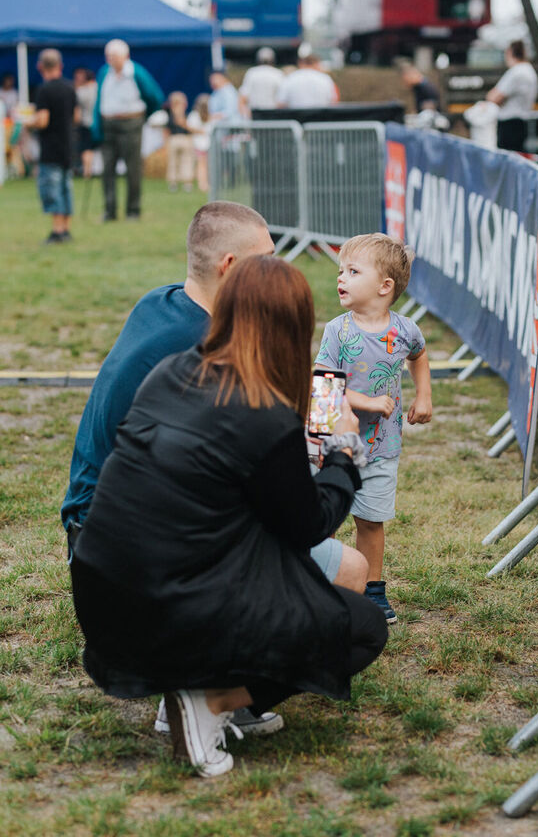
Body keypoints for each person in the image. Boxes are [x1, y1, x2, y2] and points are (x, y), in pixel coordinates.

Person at [69, 256, 388, 778]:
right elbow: (309, 524)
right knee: (362, 626)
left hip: (104, 593)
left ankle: (207, 693)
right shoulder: (263, 413)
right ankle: (212, 701)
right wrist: (341, 455)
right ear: (295, 326)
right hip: (176, 603)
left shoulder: (173, 371)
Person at [315, 233, 433, 624]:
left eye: (352, 271)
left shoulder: (404, 330)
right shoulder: (337, 331)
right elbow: (322, 384)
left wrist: (424, 396)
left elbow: (418, 355)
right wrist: (365, 402)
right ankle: (324, 583)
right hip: (335, 445)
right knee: (327, 515)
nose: (341, 278)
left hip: (382, 447)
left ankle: (372, 591)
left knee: (370, 520)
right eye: (340, 271)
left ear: (385, 287)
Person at [91, 39, 164, 221]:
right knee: (107, 168)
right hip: (108, 124)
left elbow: (155, 97)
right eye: (108, 56)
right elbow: (99, 100)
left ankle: (133, 210)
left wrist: (142, 117)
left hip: (130, 123)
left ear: (126, 56)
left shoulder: (136, 73)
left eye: (114, 56)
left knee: (133, 168)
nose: (111, 60)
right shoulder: (104, 73)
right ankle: (110, 210)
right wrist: (96, 125)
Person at [30, 49, 78, 244]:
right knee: (66, 188)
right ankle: (66, 229)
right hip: (68, 145)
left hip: (50, 147)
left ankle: (57, 231)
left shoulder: (44, 90)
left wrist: (27, 122)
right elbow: (77, 117)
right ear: (61, 66)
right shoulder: (70, 88)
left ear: (40, 67)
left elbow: (42, 121)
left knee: (52, 189)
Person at [486, 40, 538, 152]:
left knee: (508, 160)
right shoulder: (529, 70)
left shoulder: (516, 72)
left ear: (509, 52)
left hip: (509, 124)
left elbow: (494, 97)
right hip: (521, 121)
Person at [238, 47, 284, 117]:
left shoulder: (251, 73)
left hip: (255, 116)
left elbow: (242, 98)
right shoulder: (278, 74)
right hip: (273, 116)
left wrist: (245, 116)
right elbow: (282, 101)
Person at [164, 91, 195, 192]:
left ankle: (176, 183)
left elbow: (166, 130)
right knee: (185, 161)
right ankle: (185, 183)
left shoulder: (170, 114)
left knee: (175, 162)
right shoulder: (178, 114)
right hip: (181, 139)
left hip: (175, 139)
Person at [73, 67, 98, 178]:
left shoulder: (80, 92)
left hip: (85, 122)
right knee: (93, 148)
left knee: (86, 148)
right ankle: (90, 170)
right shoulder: (99, 89)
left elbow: (76, 108)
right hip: (98, 123)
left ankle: (87, 171)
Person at [186, 93, 211, 192]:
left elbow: (189, 127)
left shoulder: (194, 115)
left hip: (201, 144)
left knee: (202, 164)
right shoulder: (196, 115)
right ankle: (203, 184)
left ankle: (203, 183)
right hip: (202, 144)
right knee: (203, 165)